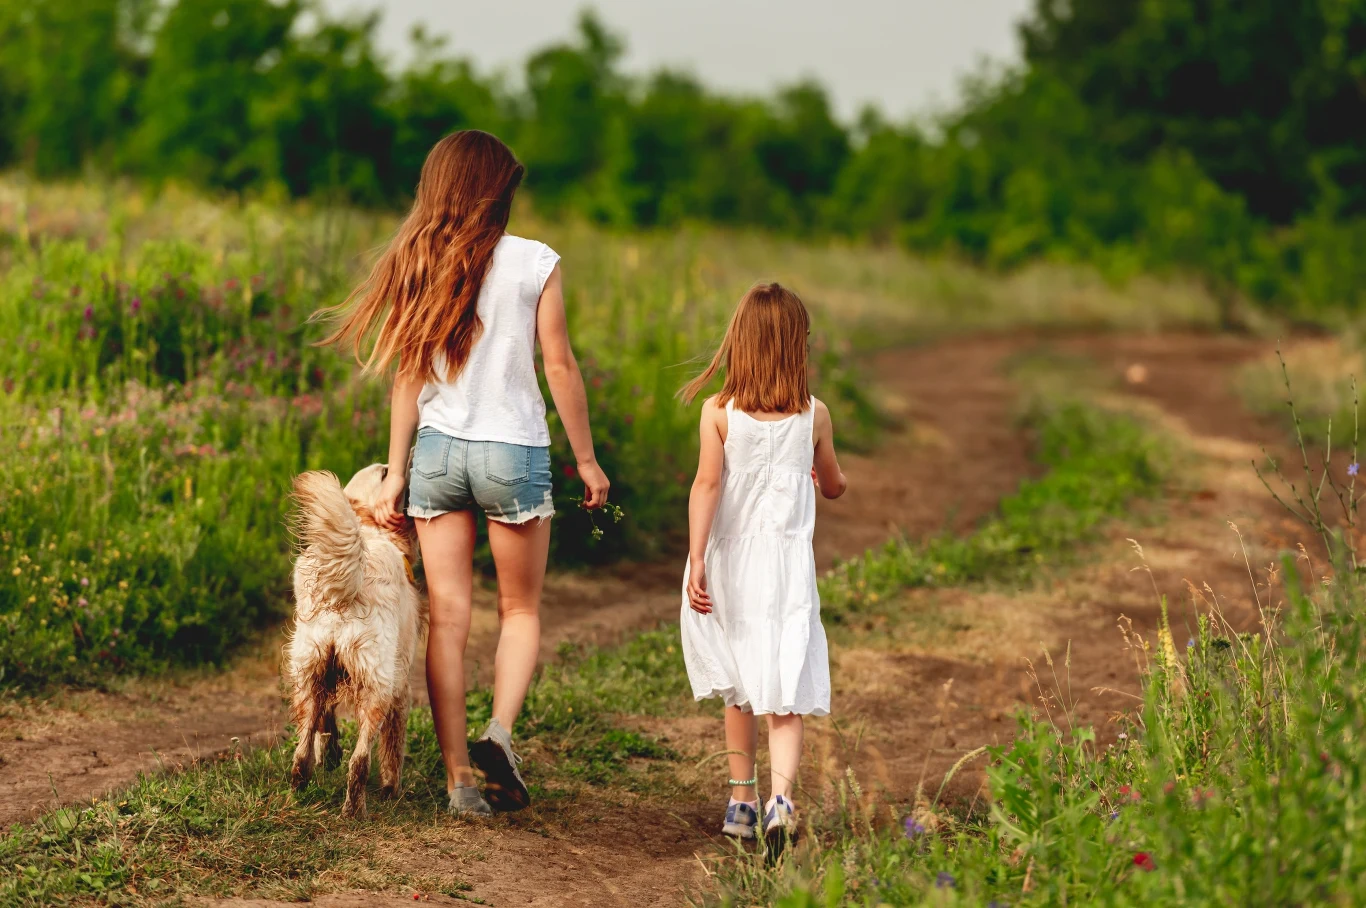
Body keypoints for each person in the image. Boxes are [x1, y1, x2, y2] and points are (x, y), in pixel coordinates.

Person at [319, 130, 610, 817]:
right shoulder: (536, 262)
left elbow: (407, 377)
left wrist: (395, 473)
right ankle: (499, 735)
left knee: (447, 618)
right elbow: (560, 366)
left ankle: (458, 782)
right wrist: (588, 461)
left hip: (440, 455)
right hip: (514, 453)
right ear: (499, 191)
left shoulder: (422, 256)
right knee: (521, 609)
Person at [678, 281, 847, 857]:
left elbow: (706, 485)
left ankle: (741, 804)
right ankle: (784, 803)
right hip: (788, 568)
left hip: (730, 560)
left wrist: (697, 557)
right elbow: (834, 485)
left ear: (740, 343)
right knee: (786, 687)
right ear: (796, 346)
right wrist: (824, 479)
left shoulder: (718, 413)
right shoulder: (814, 415)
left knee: (740, 687)